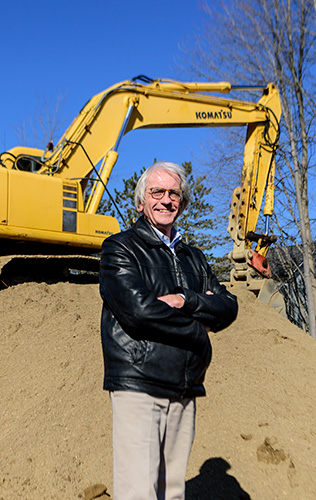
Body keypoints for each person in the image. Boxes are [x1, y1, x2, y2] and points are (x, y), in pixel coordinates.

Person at [99, 161, 238, 500]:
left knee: (172, 492)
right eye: (156, 192)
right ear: (140, 201)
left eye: (173, 192)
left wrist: (184, 300)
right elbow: (139, 312)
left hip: (185, 387)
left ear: (183, 202)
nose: (166, 199)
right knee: (138, 492)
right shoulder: (121, 248)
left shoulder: (194, 258)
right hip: (140, 383)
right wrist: (199, 321)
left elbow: (229, 307)